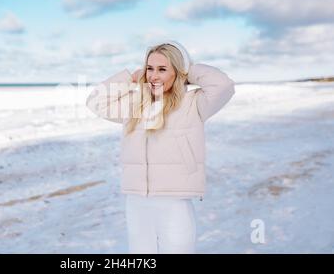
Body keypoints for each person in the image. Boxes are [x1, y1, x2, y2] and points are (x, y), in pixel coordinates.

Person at [86, 40, 235, 253]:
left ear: (178, 71)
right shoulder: (135, 103)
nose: (153, 76)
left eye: (162, 69)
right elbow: (96, 102)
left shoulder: (193, 103)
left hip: (174, 200)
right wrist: (130, 77)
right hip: (137, 200)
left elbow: (224, 85)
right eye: (150, 68)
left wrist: (187, 71)